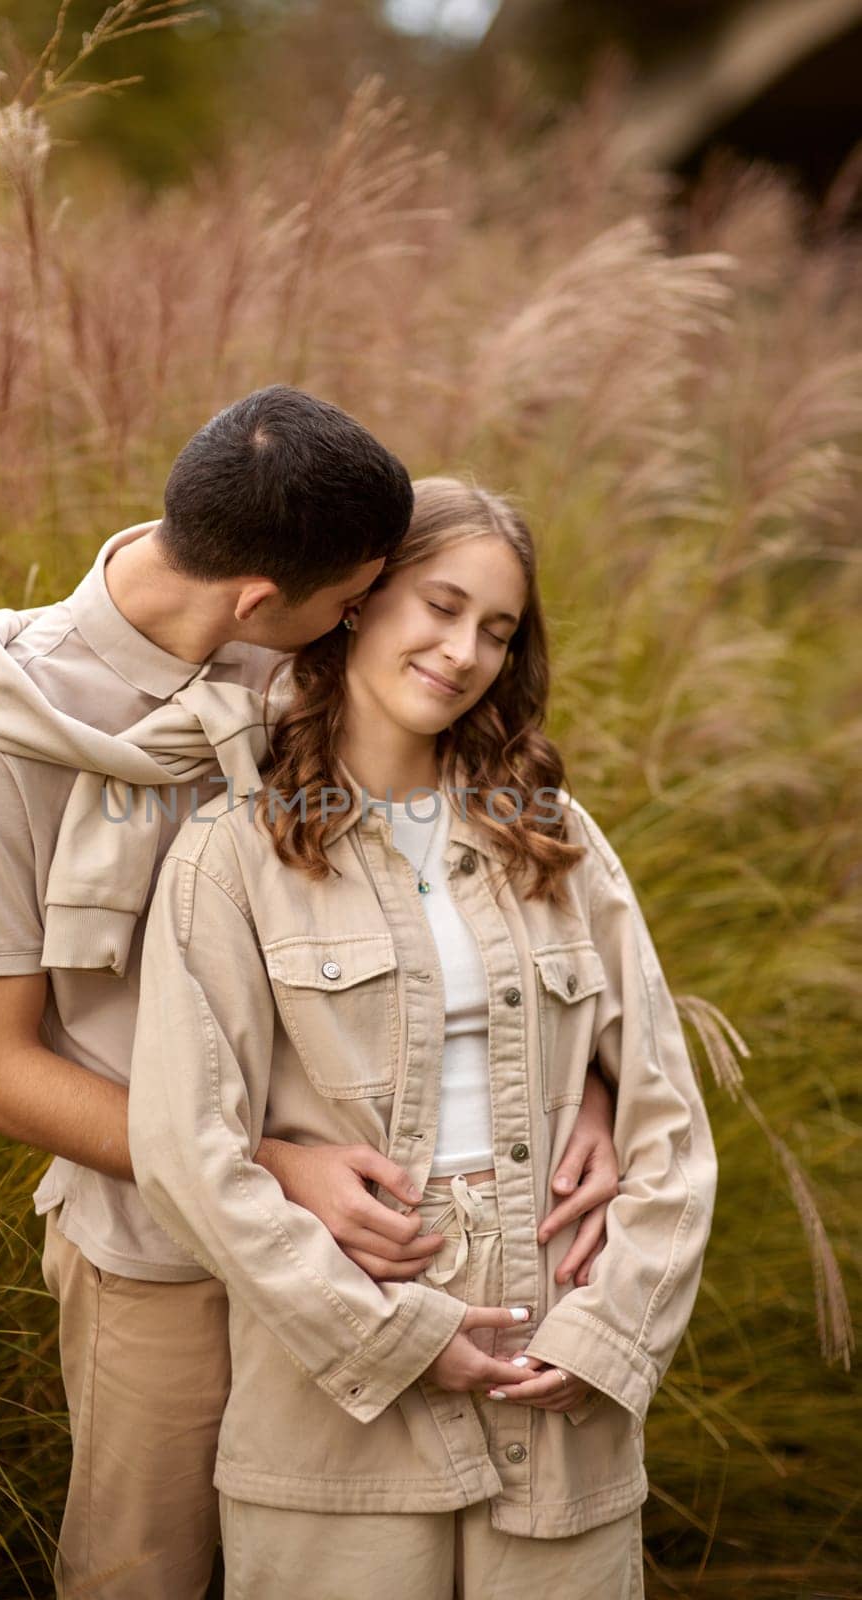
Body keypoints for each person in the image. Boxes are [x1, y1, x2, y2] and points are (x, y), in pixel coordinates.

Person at [0, 394, 619, 1600]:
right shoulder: (5, 736)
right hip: (161, 1253)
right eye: (358, 600)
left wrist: (589, 1085)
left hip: (381, 1245)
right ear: (260, 602)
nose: (371, 618)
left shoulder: (308, 628)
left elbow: (491, 884)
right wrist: (260, 1163)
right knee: (146, 1572)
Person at [128, 476, 718, 1600]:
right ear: (358, 602)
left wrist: (608, 1337)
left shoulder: (551, 837)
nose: (464, 651)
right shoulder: (233, 855)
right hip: (334, 1430)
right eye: (439, 607)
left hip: (559, 1402)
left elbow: (664, 1119)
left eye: (497, 630)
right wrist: (387, 1339)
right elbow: (185, 1149)